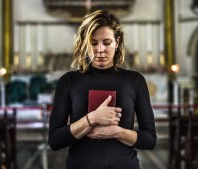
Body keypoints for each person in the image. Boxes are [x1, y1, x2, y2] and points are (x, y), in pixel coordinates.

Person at [48, 10, 157, 169]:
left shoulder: (134, 80)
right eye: (93, 43)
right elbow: (55, 141)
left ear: (117, 42)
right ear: (85, 43)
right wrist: (92, 118)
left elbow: (149, 139)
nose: (100, 49)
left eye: (107, 42)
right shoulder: (69, 81)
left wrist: (116, 132)